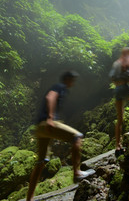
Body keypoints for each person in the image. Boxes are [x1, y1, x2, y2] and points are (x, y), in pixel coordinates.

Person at [27, 71, 95, 201]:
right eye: (72, 80)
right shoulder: (60, 87)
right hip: (47, 124)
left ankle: (29, 198)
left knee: (41, 162)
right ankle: (77, 173)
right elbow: (50, 97)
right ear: (67, 79)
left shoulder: (62, 88)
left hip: (40, 128)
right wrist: (50, 118)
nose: (73, 83)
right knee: (77, 137)